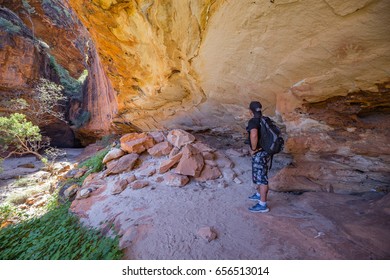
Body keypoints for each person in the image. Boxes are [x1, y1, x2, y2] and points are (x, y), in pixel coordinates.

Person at [246, 101, 270, 213]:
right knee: (259, 174)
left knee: (262, 178)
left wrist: (254, 149)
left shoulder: (253, 121)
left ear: (250, 111)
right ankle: (258, 194)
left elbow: (254, 134)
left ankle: (262, 204)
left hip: (259, 153)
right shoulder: (265, 120)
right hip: (266, 152)